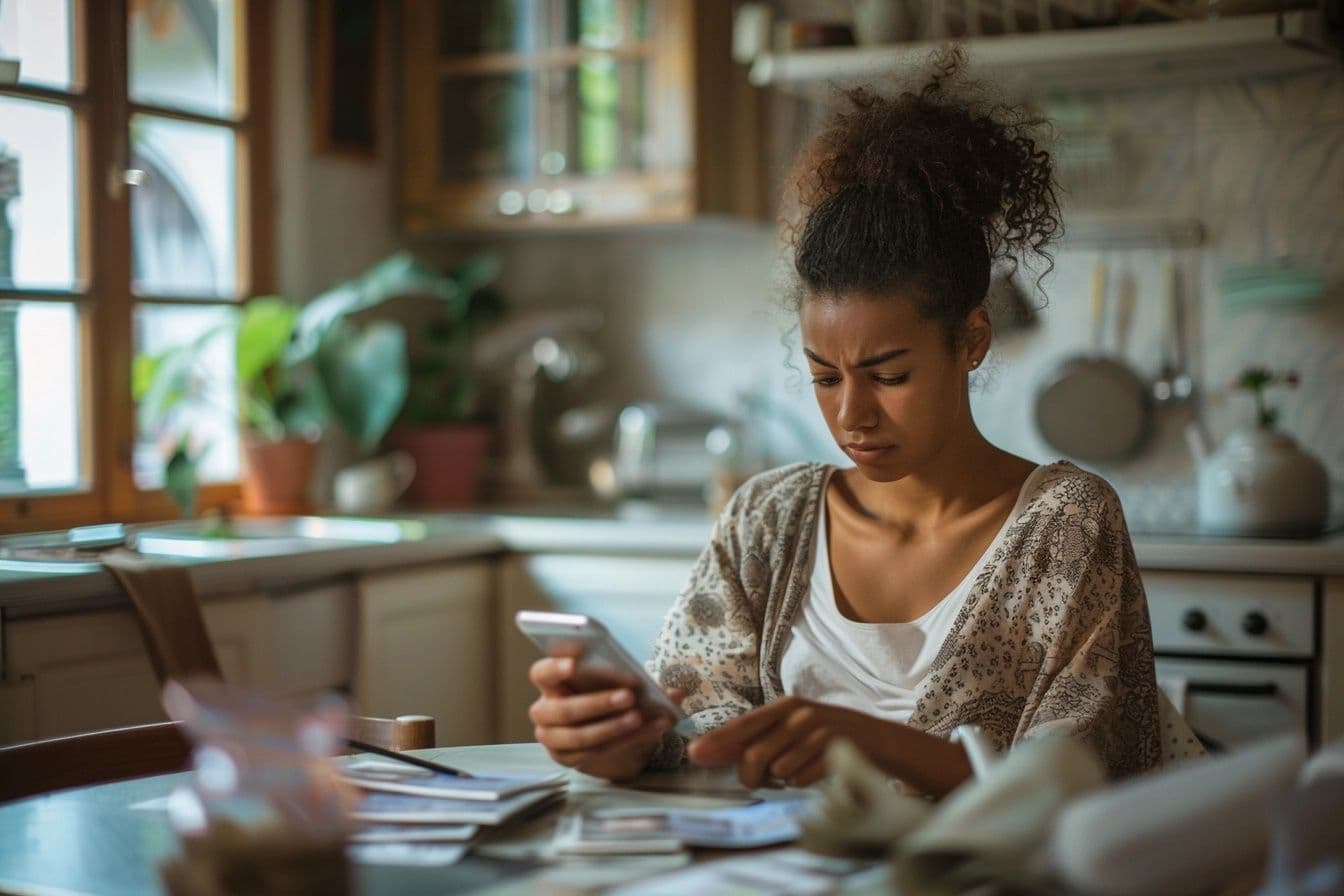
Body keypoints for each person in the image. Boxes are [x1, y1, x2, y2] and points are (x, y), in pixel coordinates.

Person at [527, 52, 1161, 798]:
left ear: (973, 339)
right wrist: (612, 744)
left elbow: (1081, 782)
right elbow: (691, 734)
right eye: (825, 377)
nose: (851, 415)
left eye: (889, 375)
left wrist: (870, 744)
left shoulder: (1065, 526)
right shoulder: (768, 520)